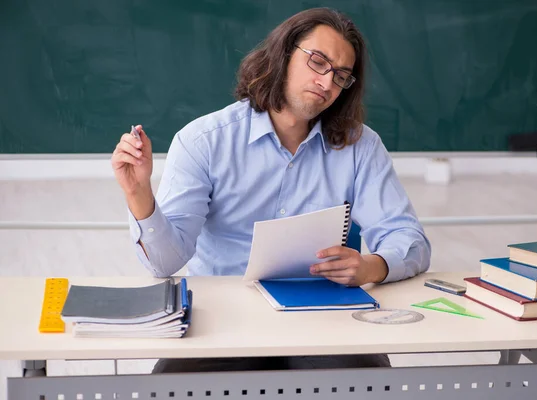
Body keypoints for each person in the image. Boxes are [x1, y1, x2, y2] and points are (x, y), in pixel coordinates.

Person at [111, 7, 431, 372]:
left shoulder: (360, 146)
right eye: (318, 62)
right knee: (175, 383)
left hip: (322, 317)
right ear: (284, 53)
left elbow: (410, 240)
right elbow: (165, 264)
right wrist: (139, 196)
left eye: (341, 76)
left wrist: (373, 266)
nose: (327, 84)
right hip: (224, 314)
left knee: (366, 379)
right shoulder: (203, 141)